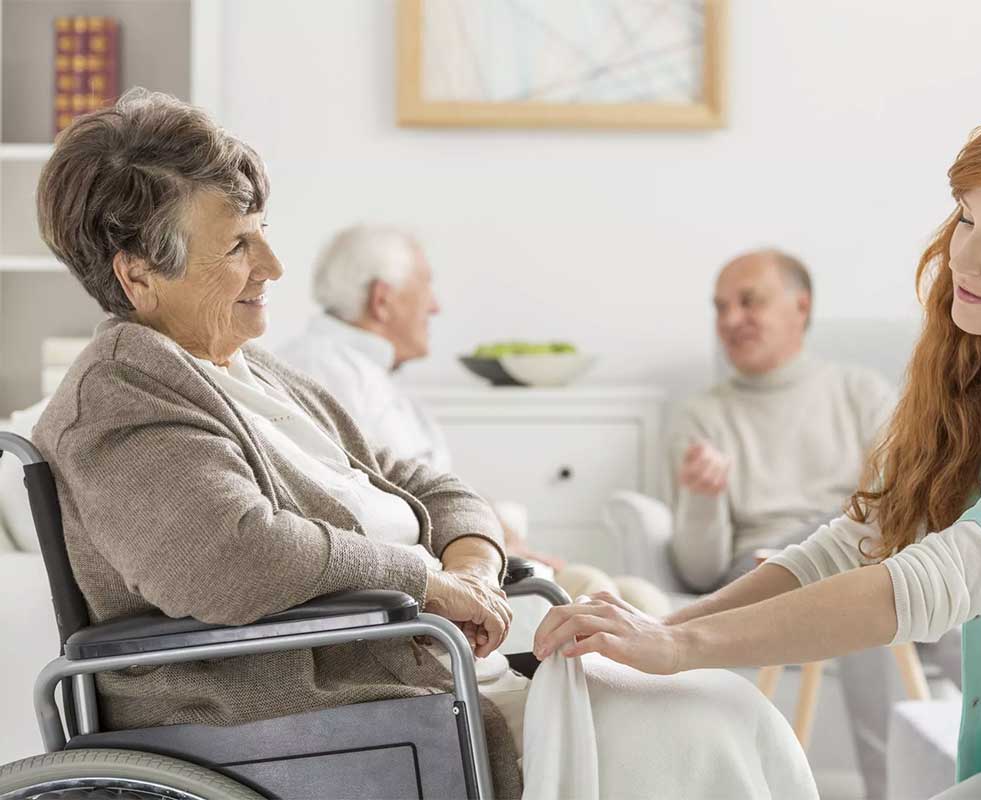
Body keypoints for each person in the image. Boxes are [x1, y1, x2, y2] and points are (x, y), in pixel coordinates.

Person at [33, 88, 812, 799]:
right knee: (705, 724)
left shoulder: (244, 369)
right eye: (237, 247)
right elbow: (235, 559)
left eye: (261, 234)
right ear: (138, 276)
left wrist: (473, 562)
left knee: (719, 707)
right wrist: (429, 585)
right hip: (323, 720)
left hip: (421, 681)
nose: (271, 266)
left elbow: (417, 480)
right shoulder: (118, 400)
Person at [535, 107, 981, 799]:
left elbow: (926, 583)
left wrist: (681, 649)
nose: (963, 257)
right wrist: (664, 627)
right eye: (966, 219)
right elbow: (859, 542)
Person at [279, 225, 670, 614]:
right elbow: (376, 508)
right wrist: (482, 546)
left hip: (455, 563)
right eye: (426, 286)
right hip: (425, 586)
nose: (436, 306)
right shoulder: (328, 372)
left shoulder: (368, 373)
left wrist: (491, 528)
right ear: (383, 301)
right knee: (613, 597)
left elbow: (421, 482)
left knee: (636, 598)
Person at [669, 248, 895, 592]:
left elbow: (896, 513)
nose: (729, 321)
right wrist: (703, 498)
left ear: (801, 307)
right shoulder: (700, 417)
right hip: (759, 574)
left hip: (853, 556)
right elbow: (699, 576)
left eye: (749, 302)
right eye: (721, 307)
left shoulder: (864, 394)